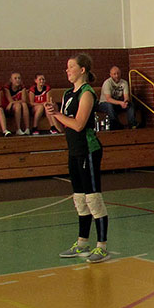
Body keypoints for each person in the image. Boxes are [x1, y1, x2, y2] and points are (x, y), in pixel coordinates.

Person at [46, 54, 110, 263]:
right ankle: (82, 242)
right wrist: (53, 114)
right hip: (73, 150)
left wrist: (59, 114)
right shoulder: (67, 94)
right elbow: (62, 126)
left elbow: (79, 124)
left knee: (93, 198)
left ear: (82, 70)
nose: (67, 70)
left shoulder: (87, 93)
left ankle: (102, 246)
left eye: (71, 67)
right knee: (80, 199)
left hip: (88, 150)